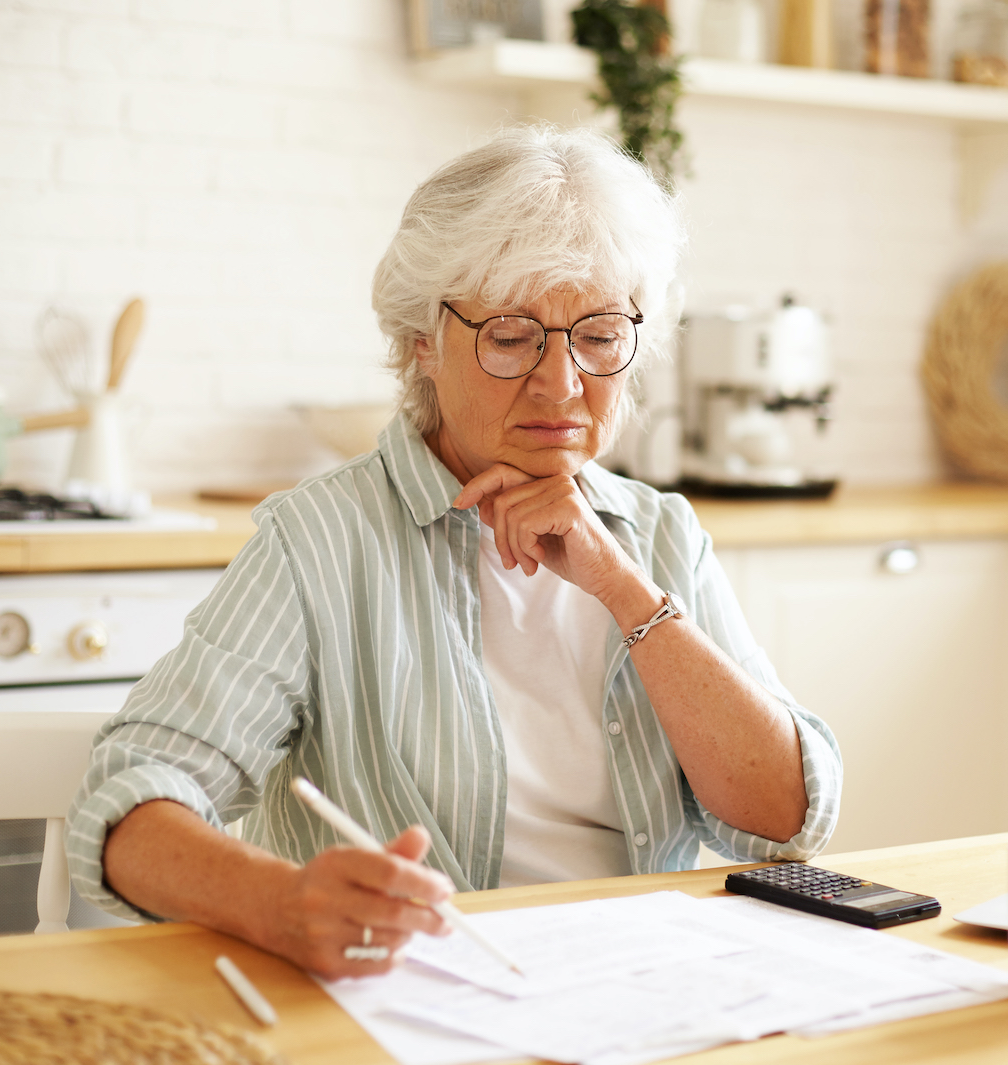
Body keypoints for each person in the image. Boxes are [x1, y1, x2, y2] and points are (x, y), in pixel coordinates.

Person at [67, 125, 842, 978]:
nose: (562, 384)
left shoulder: (659, 534)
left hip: (640, 990)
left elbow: (785, 816)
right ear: (419, 343)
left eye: (598, 333)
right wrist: (280, 906)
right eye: (511, 337)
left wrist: (623, 591)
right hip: (419, 1001)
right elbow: (129, 805)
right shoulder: (321, 539)